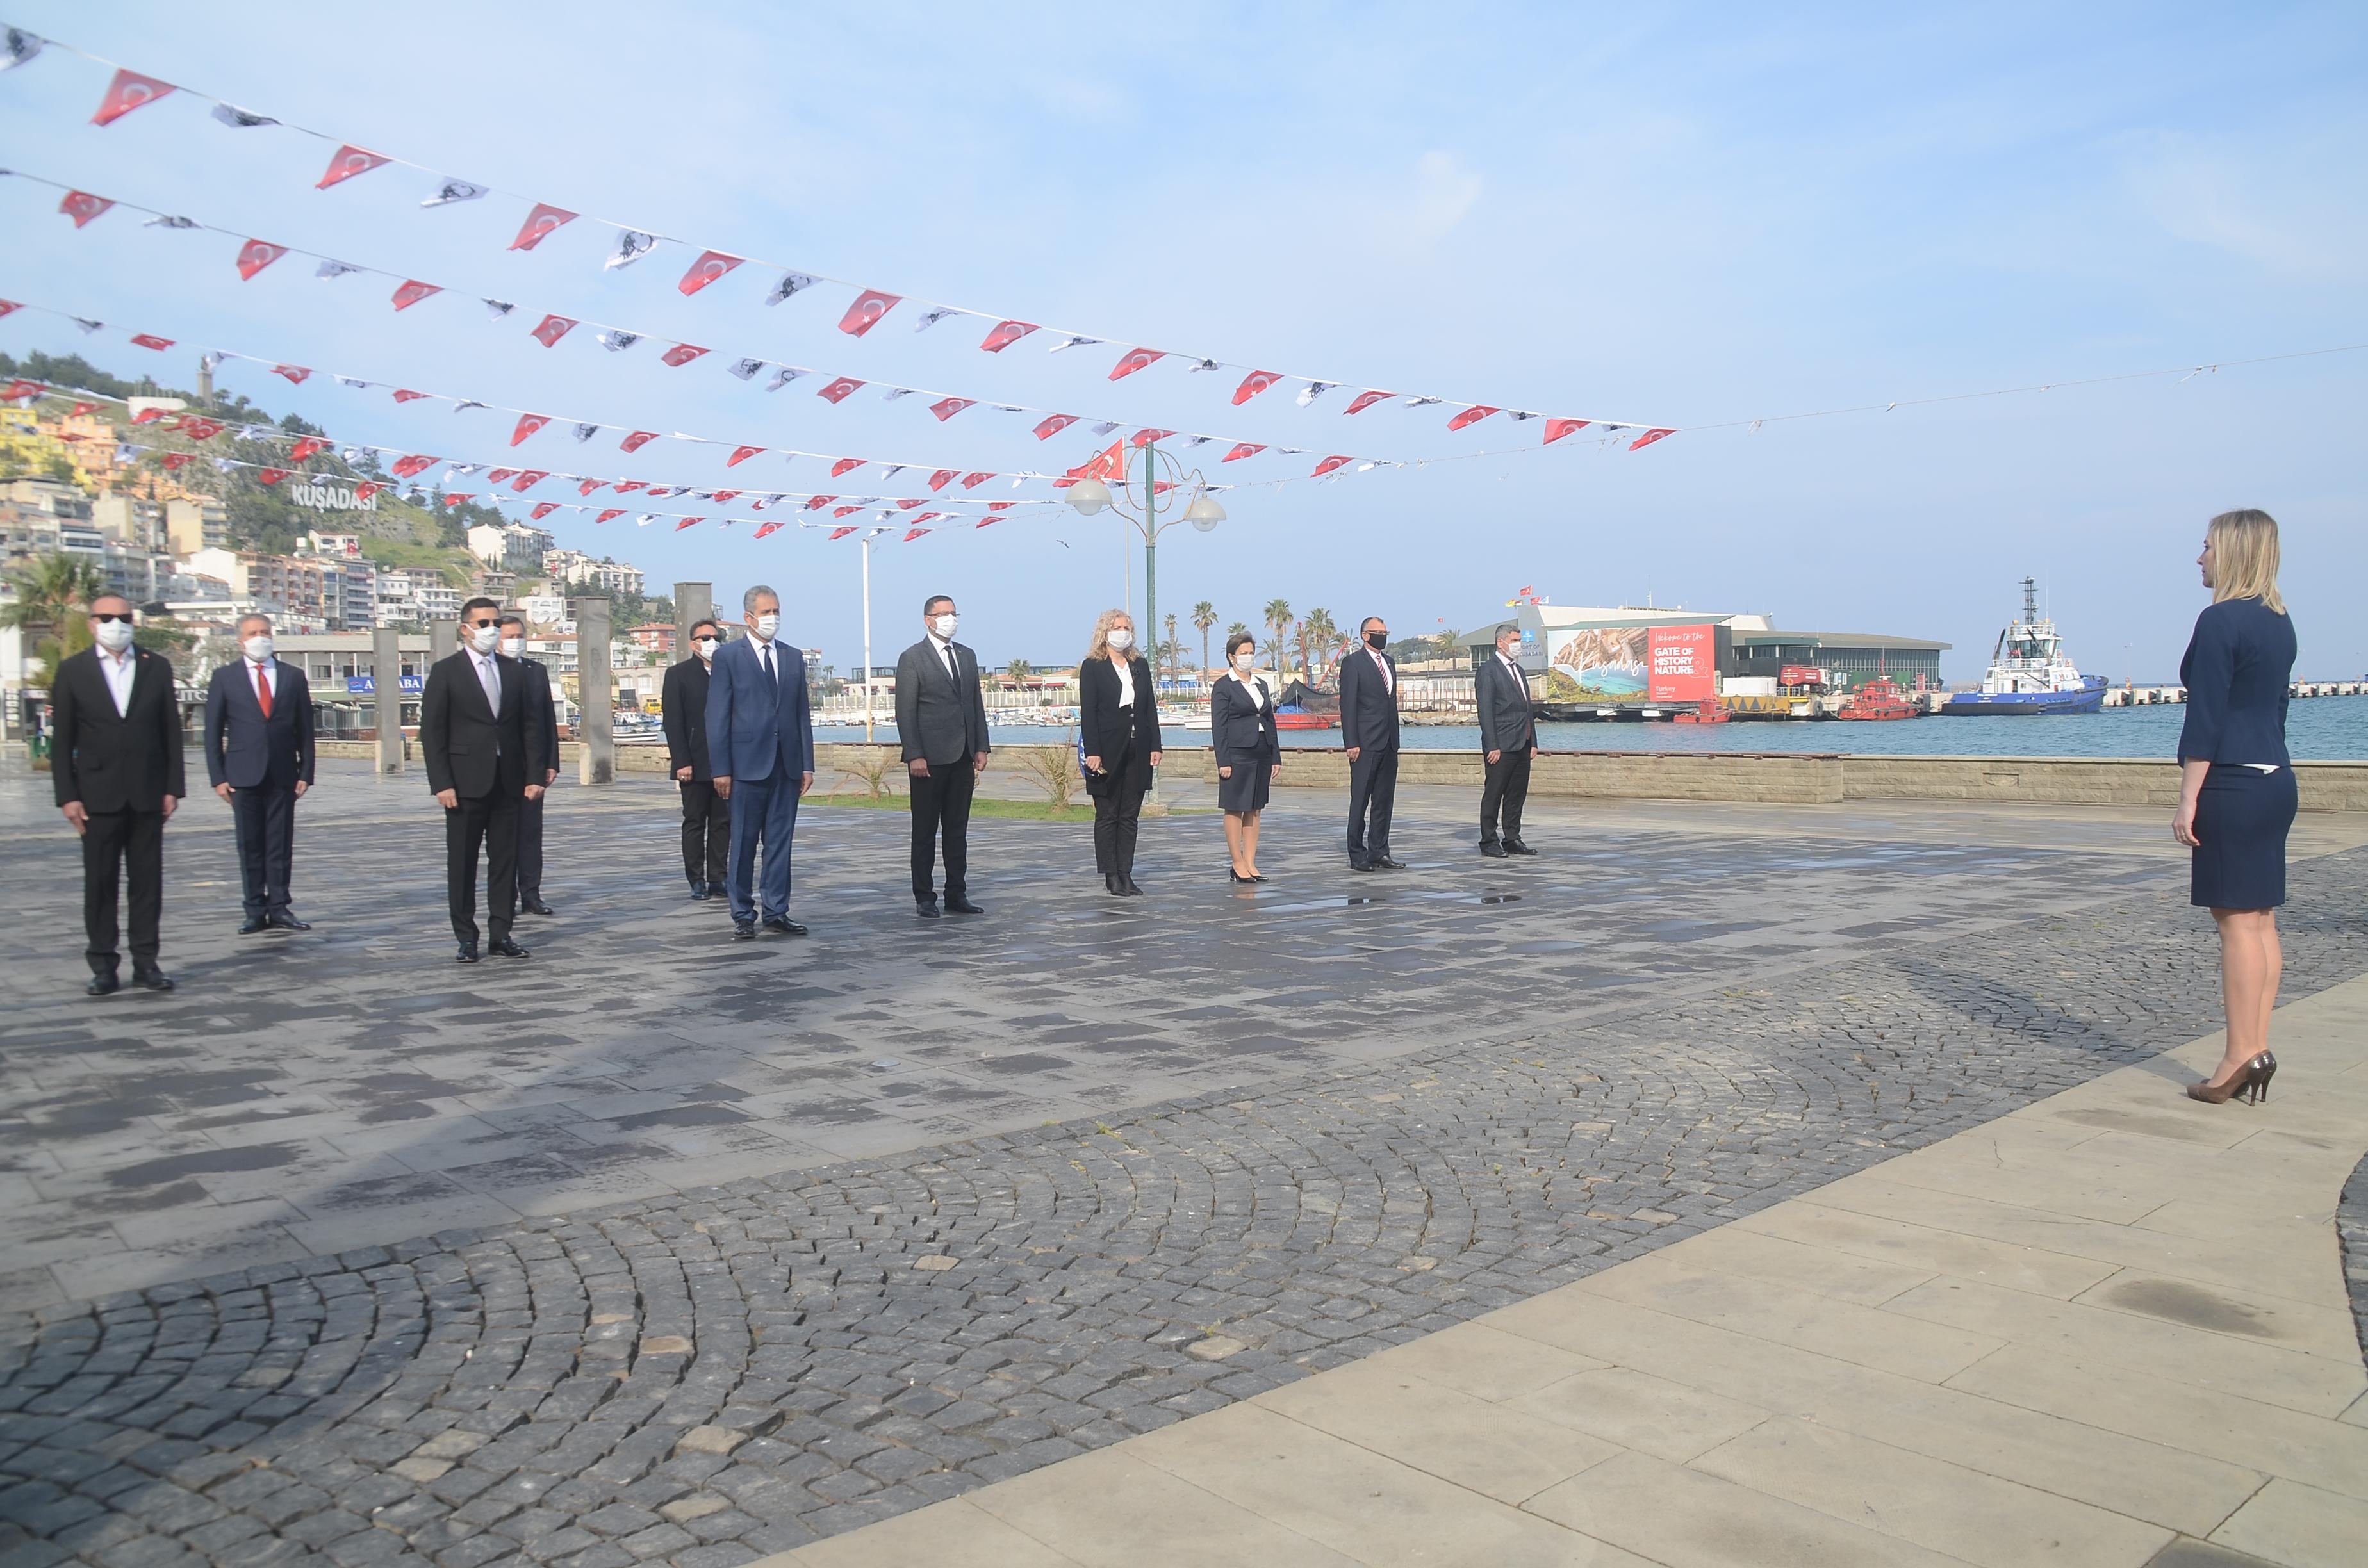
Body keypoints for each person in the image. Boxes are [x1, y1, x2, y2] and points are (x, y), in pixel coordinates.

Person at [2173, 509, 2298, 1106]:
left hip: (2233, 783)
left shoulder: (2220, 620)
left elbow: (2207, 719)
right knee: (2261, 920)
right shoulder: (2280, 622)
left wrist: (2187, 799)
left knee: (2236, 926)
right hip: (2276, 777)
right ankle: (2258, 1046)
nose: (2200, 558)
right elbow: (2276, 711)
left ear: (2233, 553)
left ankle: (2238, 1056)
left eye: (2207, 547)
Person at [51, 593, 185, 994]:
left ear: (134, 621)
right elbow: (63, 742)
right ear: (92, 623)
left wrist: (172, 788)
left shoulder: (155, 667)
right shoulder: (73, 671)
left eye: (123, 617)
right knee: (101, 884)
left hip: (147, 794)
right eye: (106, 617)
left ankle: (146, 963)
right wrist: (67, 796)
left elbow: (170, 734)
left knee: (147, 884)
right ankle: (104, 966)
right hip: (97, 796)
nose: (116, 624)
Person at [421, 597, 547, 962]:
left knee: (505, 861)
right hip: (464, 785)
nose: (491, 630)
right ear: (465, 629)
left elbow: (530, 727)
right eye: (483, 624)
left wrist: (535, 775)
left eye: (495, 622)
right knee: (462, 863)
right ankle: (466, 936)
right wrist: (441, 783)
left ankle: (501, 932)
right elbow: (433, 732)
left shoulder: (513, 672)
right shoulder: (447, 671)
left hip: (509, 783)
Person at [707, 585, 815, 938]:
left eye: (777, 611)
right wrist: (721, 769)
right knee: (742, 842)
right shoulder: (729, 657)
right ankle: (742, 913)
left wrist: (806, 764)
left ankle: (776, 910)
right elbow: (718, 715)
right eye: (767, 612)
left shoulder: (791, 656)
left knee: (780, 843)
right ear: (749, 617)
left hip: (785, 766)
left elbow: (801, 715)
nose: (773, 618)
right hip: (745, 767)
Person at [202, 612, 315, 932]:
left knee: (280, 844)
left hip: (282, 774)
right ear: (241, 640)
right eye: (253, 633)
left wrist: (306, 771)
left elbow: (305, 728)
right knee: (250, 844)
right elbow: (212, 732)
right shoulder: (225, 677)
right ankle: (254, 908)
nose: (260, 637)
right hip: (241, 774)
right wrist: (218, 777)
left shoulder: (293, 676)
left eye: (265, 631)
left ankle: (280, 907)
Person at [894, 593, 990, 918]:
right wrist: (915, 755)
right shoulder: (913, 658)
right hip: (929, 760)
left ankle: (956, 893)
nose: (950, 619)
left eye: (953, 613)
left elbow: (974, 704)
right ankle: (924, 896)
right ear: (928, 620)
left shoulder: (966, 655)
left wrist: (980, 746)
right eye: (943, 613)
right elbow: (905, 713)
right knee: (924, 831)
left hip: (962, 755)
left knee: (956, 831)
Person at [1080, 608, 1163, 896]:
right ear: (1105, 631)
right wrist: (1093, 752)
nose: (1123, 631)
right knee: (1107, 815)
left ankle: (1126, 872)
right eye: (1117, 627)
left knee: (1129, 815)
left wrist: (1156, 744)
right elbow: (1088, 713)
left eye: (1126, 627)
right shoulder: (1092, 666)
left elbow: (1149, 707)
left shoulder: (1139, 664)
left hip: (1137, 749)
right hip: (1106, 751)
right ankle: (1110, 875)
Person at [662, 618, 729, 900]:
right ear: (693, 643)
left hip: (724, 765)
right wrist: (682, 762)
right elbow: (673, 722)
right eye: (704, 638)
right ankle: (696, 880)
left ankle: (718, 877)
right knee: (694, 822)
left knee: (722, 823)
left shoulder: (728, 672)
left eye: (715, 637)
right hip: (693, 762)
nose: (710, 642)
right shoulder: (678, 674)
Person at [500, 614, 561, 917]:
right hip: (499, 767)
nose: (516, 641)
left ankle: (531, 893)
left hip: (532, 767)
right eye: (509, 636)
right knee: (503, 835)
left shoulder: (535, 671)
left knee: (530, 832)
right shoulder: (491, 671)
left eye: (519, 636)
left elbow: (547, 718)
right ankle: (504, 895)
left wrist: (551, 763)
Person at [1210, 630, 1281, 883]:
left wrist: (1275, 756)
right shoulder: (1223, 687)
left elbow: (1269, 721)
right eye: (1243, 653)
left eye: (1251, 653)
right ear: (1232, 657)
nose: (1248, 657)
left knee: (1255, 808)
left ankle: (1250, 862)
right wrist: (1224, 761)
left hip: (1261, 750)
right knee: (1236, 807)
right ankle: (1237, 862)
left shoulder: (1260, 684)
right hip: (1237, 753)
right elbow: (1219, 727)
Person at [1339, 614, 1402, 870]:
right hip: (1365, 744)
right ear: (1365, 635)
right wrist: (1352, 742)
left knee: (1384, 800)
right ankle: (1357, 853)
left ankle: (1379, 850)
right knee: (1361, 800)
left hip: (1388, 742)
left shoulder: (1390, 662)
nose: (1383, 637)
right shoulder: (1353, 663)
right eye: (1379, 632)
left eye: (1386, 633)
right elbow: (1348, 705)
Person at [1476, 621, 1541, 858]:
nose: (1518, 645)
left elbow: (1527, 709)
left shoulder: (1519, 671)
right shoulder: (1489, 670)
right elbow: (1485, 710)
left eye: (1519, 641)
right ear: (1500, 642)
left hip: (1522, 743)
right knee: (1494, 793)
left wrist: (1533, 740)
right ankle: (1489, 840)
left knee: (1516, 794)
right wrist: (1492, 745)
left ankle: (1512, 837)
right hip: (1501, 745)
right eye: (1514, 641)